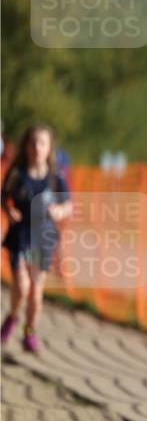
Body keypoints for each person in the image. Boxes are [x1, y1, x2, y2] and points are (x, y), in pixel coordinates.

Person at [1, 124, 73, 353]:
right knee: (21, 287)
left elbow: (68, 205)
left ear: (49, 147)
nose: (37, 148)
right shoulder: (17, 175)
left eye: (42, 143)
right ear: (26, 146)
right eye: (32, 143)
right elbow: (4, 197)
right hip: (20, 237)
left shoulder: (54, 178)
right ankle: (13, 317)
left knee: (35, 291)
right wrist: (8, 210)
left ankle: (29, 332)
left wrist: (59, 212)